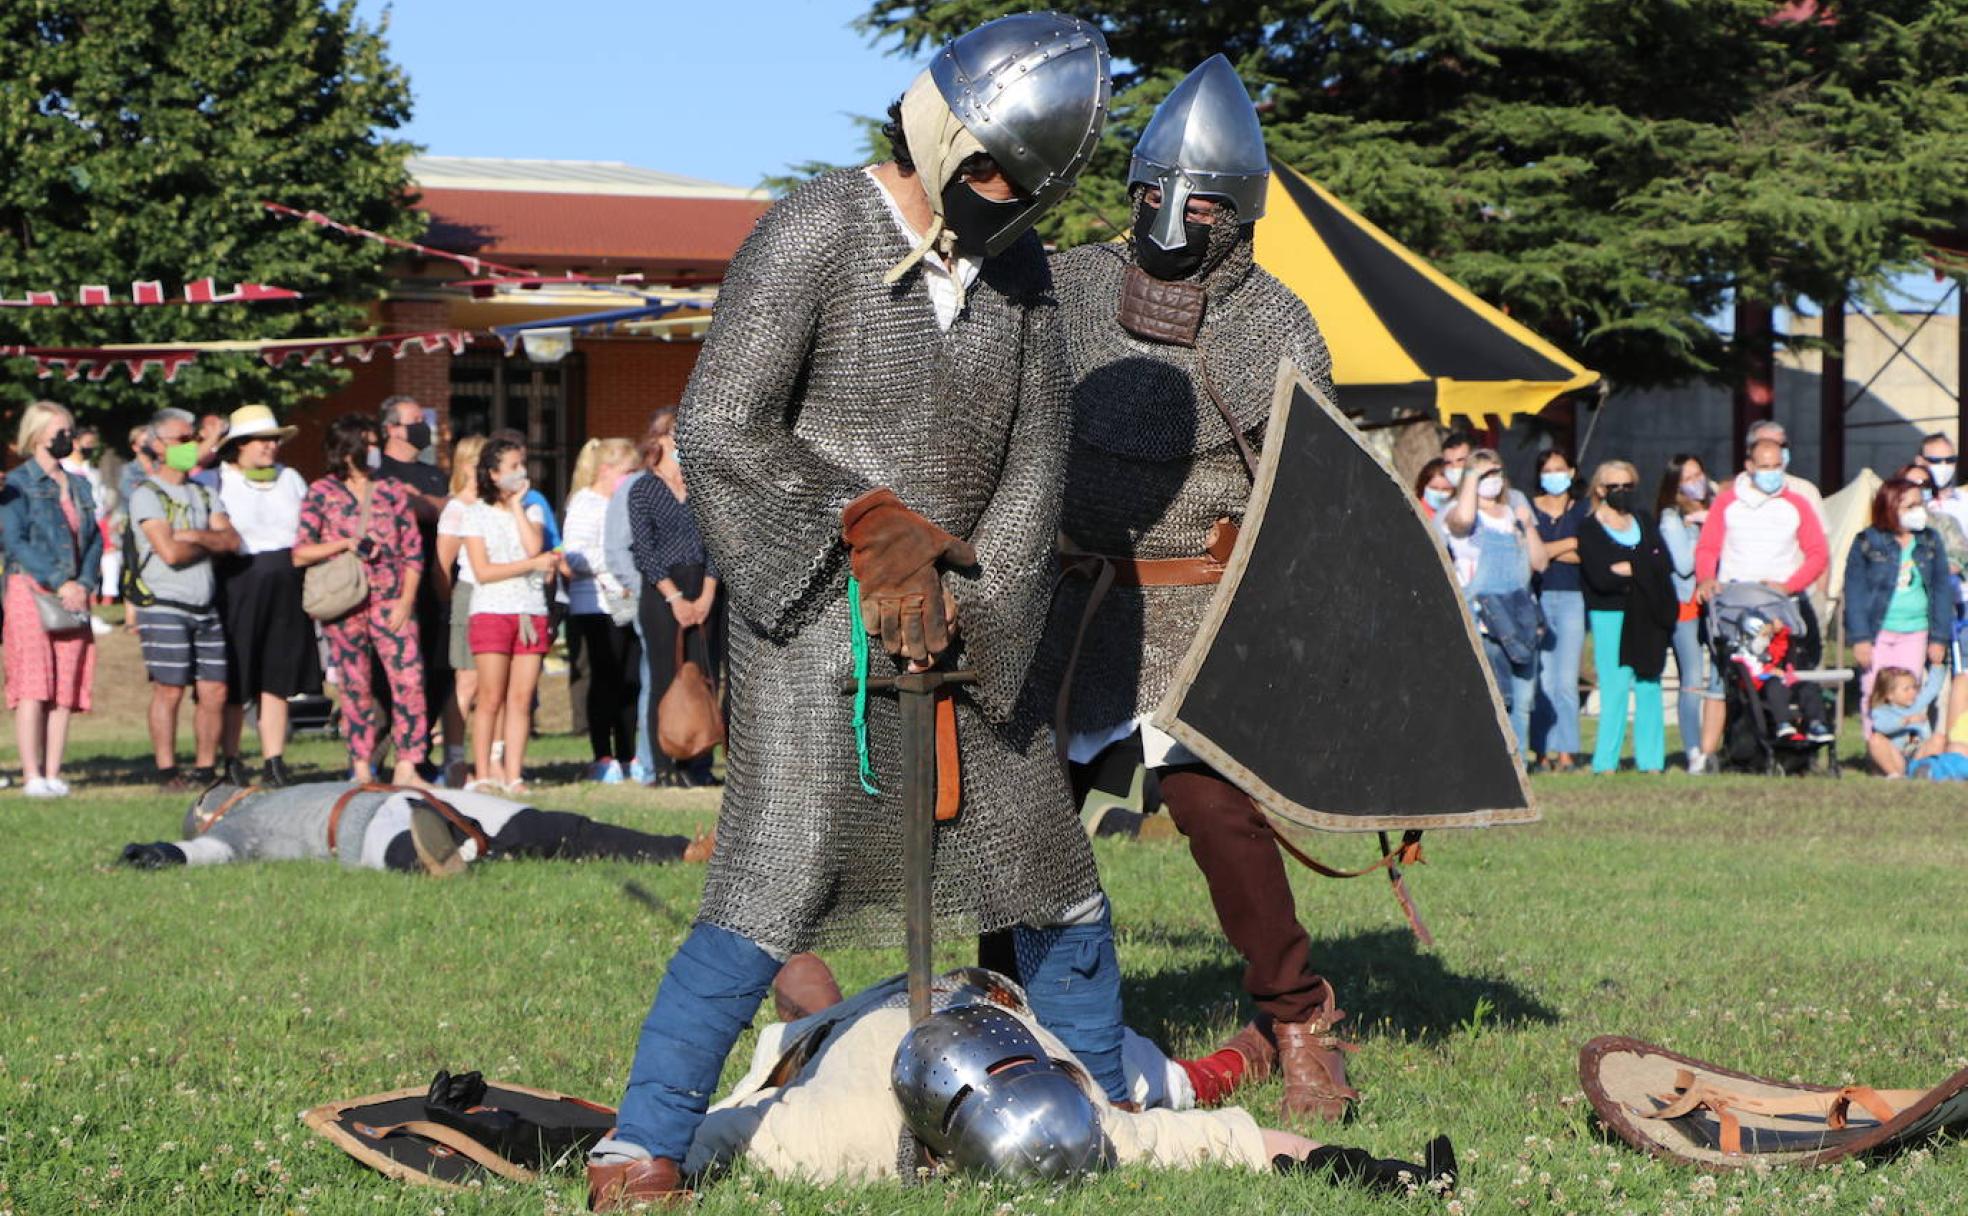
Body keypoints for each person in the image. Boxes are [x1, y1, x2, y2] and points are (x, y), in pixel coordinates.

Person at [589, 18, 1118, 1208]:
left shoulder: (1022, 273)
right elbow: (721, 425)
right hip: (817, 629)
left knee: (1051, 882)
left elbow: (1036, 468)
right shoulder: (820, 228)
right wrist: (865, 528)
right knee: (767, 886)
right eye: (986, 171)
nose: (999, 201)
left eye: (1023, 188)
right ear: (939, 133)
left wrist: (980, 611)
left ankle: (1102, 1098)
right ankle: (644, 1141)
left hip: (967, 640)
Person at [1038, 54, 1354, 1124]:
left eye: (1203, 199)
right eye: (1155, 194)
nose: (1174, 217)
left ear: (1241, 211)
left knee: (1215, 815)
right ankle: (1008, 1008)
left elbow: (1314, 487)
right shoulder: (1069, 290)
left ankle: (1298, 1014)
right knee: (1019, 818)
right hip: (1069, 608)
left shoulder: (1274, 320)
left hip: (1194, 609)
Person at [588, 959, 1453, 1197]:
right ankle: (1251, 1050)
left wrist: (1364, 1165)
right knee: (810, 1001)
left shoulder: (1072, 1104)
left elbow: (1231, 1145)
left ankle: (1254, 1048)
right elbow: (672, 1145)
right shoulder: (829, 1133)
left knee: (1153, 1087)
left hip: (978, 999)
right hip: (833, 1052)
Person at [118, 781, 714, 874]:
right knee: (558, 830)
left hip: (389, 810)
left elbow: (198, 853)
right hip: (402, 802)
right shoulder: (233, 827)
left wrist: (167, 854)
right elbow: (201, 852)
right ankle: (680, 850)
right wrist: (162, 852)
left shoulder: (271, 800)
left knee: (555, 827)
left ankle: (442, 855)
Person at [295, 414, 429, 787]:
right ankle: (360, 767)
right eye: (367, 443)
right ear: (347, 448)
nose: (374, 450)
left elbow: (414, 552)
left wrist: (406, 602)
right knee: (355, 688)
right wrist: (344, 544)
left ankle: (408, 765)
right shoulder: (321, 493)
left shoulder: (391, 490)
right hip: (344, 603)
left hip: (391, 600)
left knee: (410, 680)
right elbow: (301, 552)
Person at [1690, 437, 1829, 774]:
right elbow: (1708, 547)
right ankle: (1708, 754)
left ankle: (1790, 750)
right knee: (1723, 681)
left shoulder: (1796, 505)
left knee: (1785, 678)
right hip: (1734, 605)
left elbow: (1818, 554)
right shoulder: (1727, 503)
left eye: (1776, 466)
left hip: (1780, 606)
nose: (1771, 473)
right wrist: (1706, 578)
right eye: (1764, 467)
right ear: (1749, 467)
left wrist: (1788, 586)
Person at [201, 404, 319, 788]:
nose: (270, 447)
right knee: (238, 674)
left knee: (277, 674)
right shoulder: (218, 479)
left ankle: (274, 759)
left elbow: (306, 527)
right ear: (239, 445)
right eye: (261, 441)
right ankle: (232, 758)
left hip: (286, 578)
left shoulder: (290, 479)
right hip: (240, 580)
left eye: (273, 440)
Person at [126, 407, 240, 789]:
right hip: (164, 604)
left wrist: (192, 537)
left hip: (204, 604)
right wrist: (205, 541)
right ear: (157, 445)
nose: (190, 446)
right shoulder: (147, 495)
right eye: (181, 440)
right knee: (170, 688)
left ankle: (206, 770)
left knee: (215, 689)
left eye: (193, 438)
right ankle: (168, 771)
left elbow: (231, 541)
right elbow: (169, 553)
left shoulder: (204, 493)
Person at [1, 401, 103, 798]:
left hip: (75, 593)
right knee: (33, 684)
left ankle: (54, 771)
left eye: (70, 430)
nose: (67, 438)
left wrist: (84, 582)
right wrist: (60, 581)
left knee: (65, 685)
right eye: (60, 430)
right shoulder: (16, 484)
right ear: (38, 433)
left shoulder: (78, 485)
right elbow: (15, 541)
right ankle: (32, 775)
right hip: (30, 589)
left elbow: (93, 538)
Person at [626, 409, 722, 789]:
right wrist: (676, 598)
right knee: (665, 678)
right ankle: (665, 763)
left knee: (703, 676)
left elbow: (718, 542)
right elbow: (644, 551)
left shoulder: (704, 486)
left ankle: (698, 762)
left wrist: (708, 593)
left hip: (705, 585)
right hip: (663, 592)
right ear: (660, 438)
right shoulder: (643, 489)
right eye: (679, 434)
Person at [460, 436, 556, 794]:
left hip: (530, 611)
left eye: (523, 465)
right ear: (493, 472)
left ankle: (514, 774)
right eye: (513, 466)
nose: (521, 472)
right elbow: (484, 571)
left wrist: (517, 506)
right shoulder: (475, 514)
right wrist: (532, 565)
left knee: (521, 698)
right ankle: (483, 772)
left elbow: (535, 545)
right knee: (490, 697)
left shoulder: (530, 510)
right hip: (491, 611)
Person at [1441, 449, 1548, 756]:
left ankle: (1521, 767)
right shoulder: (1461, 514)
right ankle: (1495, 765)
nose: (1493, 481)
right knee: (1496, 699)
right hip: (1484, 621)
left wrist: (1527, 527)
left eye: (1496, 473)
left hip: (1521, 616)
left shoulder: (1514, 515)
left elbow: (1539, 563)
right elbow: (1461, 522)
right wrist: (1472, 477)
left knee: (1524, 701)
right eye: (1485, 475)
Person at [374, 395, 456, 778]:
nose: (425, 427)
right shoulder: (378, 471)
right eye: (415, 421)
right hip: (391, 588)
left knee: (436, 671)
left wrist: (421, 501)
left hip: (432, 585)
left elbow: (449, 512)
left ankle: (418, 755)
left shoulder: (432, 473)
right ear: (391, 428)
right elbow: (409, 511)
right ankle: (376, 755)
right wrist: (433, 506)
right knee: (387, 677)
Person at [1578, 460, 1678, 774]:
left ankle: (1651, 761)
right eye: (1613, 486)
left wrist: (1632, 568)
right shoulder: (1589, 528)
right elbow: (1601, 578)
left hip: (1646, 613)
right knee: (1615, 685)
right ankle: (1605, 762)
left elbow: (1664, 565)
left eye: (1627, 486)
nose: (1621, 492)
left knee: (1649, 683)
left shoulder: (1644, 521)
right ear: (1599, 489)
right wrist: (1642, 567)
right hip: (1610, 614)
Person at [1843, 477, 1952, 740]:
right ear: (1891, 507)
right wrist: (1860, 639)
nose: (1919, 511)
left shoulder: (1930, 541)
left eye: (1920, 504)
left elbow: (1941, 589)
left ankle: (1902, 753)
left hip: (1915, 631)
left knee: (1908, 693)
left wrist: (1938, 638)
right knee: (1874, 690)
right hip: (1878, 632)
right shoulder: (1867, 542)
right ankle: (1877, 751)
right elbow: (1855, 593)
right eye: (1910, 506)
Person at [562, 437, 642, 783]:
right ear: (606, 470)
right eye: (627, 471)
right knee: (604, 678)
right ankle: (603, 754)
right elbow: (575, 553)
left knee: (631, 678)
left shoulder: (624, 502)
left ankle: (628, 753)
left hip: (628, 598)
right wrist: (614, 568)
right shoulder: (585, 502)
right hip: (596, 602)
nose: (631, 478)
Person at [603, 423, 657, 785]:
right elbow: (616, 548)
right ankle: (650, 761)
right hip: (649, 595)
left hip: (696, 595)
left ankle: (690, 756)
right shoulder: (635, 489)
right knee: (650, 679)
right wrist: (642, 588)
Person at [1529, 448, 1589, 770]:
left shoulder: (1582, 510)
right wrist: (1568, 544)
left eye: (1559, 468)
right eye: (1548, 469)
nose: (1554, 475)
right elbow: (1528, 552)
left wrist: (1545, 550)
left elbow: (1587, 553)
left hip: (1571, 598)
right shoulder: (1528, 509)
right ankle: (1541, 752)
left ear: (1571, 471)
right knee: (1543, 680)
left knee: (1565, 681)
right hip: (1537, 598)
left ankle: (1566, 752)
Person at [435, 435, 487, 788]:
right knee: (465, 682)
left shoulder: (495, 504)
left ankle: (491, 762)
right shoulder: (457, 508)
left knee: (490, 685)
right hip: (468, 599)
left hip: (500, 599)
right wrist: (450, 606)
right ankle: (454, 758)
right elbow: (441, 565)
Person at [1655, 454, 1713, 770]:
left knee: (1716, 678)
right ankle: (1693, 750)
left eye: (1698, 474)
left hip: (1715, 603)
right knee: (1691, 679)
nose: (1696, 483)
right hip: (1686, 605)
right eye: (1687, 478)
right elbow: (1684, 564)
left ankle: (1714, 743)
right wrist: (1697, 532)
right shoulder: (1671, 518)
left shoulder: (1714, 507)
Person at [1726, 608, 1832, 744]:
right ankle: (1783, 722)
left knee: (1807, 686)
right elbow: (1748, 681)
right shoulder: (1741, 658)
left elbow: (1780, 646)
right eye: (1763, 636)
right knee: (1774, 684)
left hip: (1783, 684)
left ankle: (1816, 723)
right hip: (1763, 690)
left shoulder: (1767, 654)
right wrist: (1767, 673)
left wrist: (1780, 631)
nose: (1766, 641)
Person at [1868, 666, 1947, 776]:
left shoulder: (1916, 704)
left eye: (1914, 688)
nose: (1912, 692)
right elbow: (1881, 726)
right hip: (1897, 756)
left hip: (1918, 754)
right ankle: (1894, 774)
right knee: (1875, 740)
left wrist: (1937, 666)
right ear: (1889, 695)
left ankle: (1922, 772)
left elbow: (1932, 689)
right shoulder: (1882, 710)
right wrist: (1906, 721)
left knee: (1939, 739)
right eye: (1906, 689)